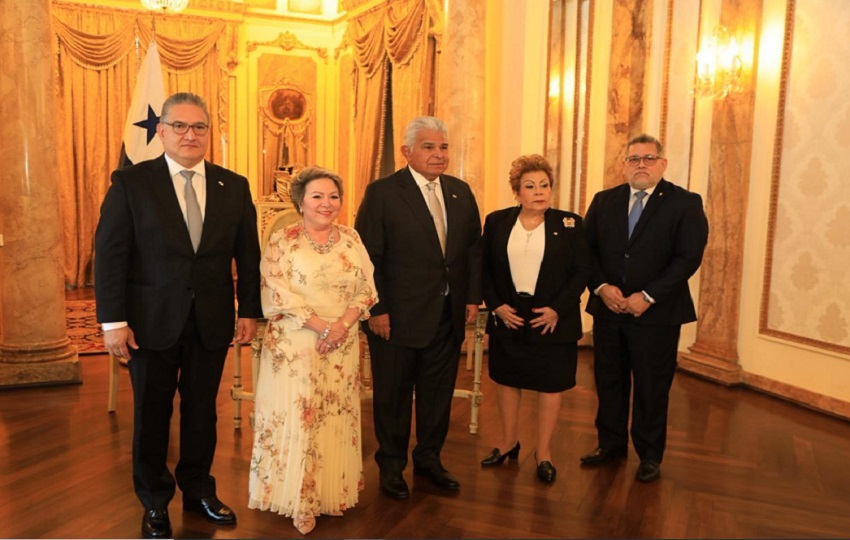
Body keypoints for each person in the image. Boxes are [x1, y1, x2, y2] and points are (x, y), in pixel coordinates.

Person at [94, 92, 262, 538]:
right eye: (181, 126)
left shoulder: (234, 185)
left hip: (210, 320)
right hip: (149, 323)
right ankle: (153, 501)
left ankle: (198, 490)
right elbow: (110, 255)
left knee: (202, 412)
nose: (191, 135)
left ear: (209, 133)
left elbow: (249, 255)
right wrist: (113, 322)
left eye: (200, 127)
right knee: (152, 414)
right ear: (162, 131)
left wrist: (250, 310)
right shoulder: (132, 183)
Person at [355, 116, 482, 500]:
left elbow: (472, 252)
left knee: (437, 396)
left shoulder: (461, 192)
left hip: (446, 317)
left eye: (443, 147)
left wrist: (472, 298)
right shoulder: (383, 193)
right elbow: (367, 257)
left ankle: (429, 460)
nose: (439, 154)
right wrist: (376, 309)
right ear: (407, 152)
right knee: (392, 397)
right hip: (394, 320)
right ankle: (392, 466)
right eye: (429, 147)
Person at [247, 167, 377, 535]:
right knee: (296, 417)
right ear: (300, 201)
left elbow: (367, 289)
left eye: (333, 196)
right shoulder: (282, 240)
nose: (326, 203)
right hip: (294, 344)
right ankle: (294, 499)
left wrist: (342, 326)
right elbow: (276, 291)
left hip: (342, 344)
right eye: (317, 196)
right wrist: (322, 326)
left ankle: (327, 494)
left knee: (333, 416)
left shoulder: (351, 238)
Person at [580, 133, 708, 483]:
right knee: (609, 381)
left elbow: (688, 258)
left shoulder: (685, 203)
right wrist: (602, 287)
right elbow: (586, 250)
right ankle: (610, 445)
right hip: (609, 309)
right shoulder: (604, 200)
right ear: (623, 165)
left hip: (658, 314)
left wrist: (648, 296)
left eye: (649, 158)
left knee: (652, 386)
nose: (641, 165)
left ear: (662, 164)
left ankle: (650, 455)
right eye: (634, 159)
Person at [479, 154, 591, 483]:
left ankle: (544, 452)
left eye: (544, 185)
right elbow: (483, 268)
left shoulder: (570, 224)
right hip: (509, 314)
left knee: (550, 384)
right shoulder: (497, 221)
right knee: (508, 379)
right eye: (530, 186)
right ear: (517, 192)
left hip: (553, 316)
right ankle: (507, 442)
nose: (539, 191)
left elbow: (582, 270)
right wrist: (496, 305)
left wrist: (558, 307)